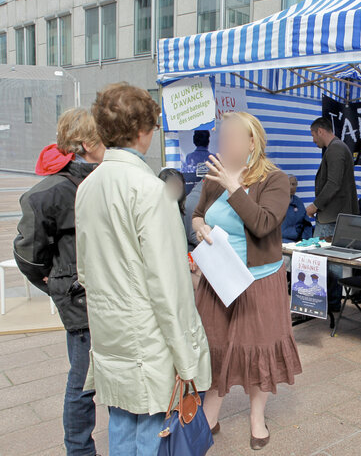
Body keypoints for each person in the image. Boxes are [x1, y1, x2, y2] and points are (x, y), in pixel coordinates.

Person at [75, 83, 211, 456]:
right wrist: (186, 358)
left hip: (108, 326)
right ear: (143, 131)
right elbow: (169, 285)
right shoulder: (151, 191)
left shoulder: (88, 186)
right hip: (147, 333)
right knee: (155, 428)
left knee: (121, 423)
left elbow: (84, 268)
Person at [192, 111, 302, 451]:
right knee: (215, 347)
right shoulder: (214, 177)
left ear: (252, 141)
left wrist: (234, 188)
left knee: (258, 351)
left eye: (231, 138)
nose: (223, 145)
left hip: (258, 283)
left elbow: (263, 224)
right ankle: (210, 412)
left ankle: (257, 416)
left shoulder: (275, 179)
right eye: (221, 138)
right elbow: (198, 214)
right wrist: (199, 227)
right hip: (217, 280)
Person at [13, 108, 105, 456]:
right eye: (103, 138)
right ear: (86, 143)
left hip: (110, 294)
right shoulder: (46, 194)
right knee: (83, 383)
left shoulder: (103, 178)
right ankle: (79, 451)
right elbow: (28, 255)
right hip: (81, 300)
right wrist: (56, 283)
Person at [306, 117, 358, 312]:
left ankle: (323, 303)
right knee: (332, 261)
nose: (313, 140)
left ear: (320, 131)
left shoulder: (335, 149)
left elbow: (333, 184)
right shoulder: (340, 148)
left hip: (332, 216)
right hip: (335, 215)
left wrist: (315, 206)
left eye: (312, 135)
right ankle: (331, 303)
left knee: (318, 259)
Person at [282, 174, 313, 242]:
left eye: (294, 184)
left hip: (297, 241)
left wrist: (305, 240)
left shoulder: (298, 202)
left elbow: (306, 224)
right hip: (280, 240)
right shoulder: (276, 202)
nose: (291, 187)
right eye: (288, 184)